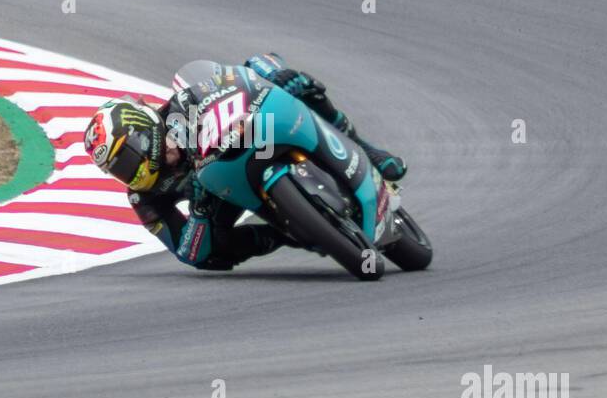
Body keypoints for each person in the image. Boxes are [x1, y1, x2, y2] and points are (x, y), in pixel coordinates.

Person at [83, 53, 406, 271]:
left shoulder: (180, 105)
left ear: (142, 131)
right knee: (210, 259)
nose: (129, 173)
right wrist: (200, 213)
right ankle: (286, 232)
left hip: (250, 135)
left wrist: (270, 77)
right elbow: (187, 252)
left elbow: (229, 79)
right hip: (218, 192)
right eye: (116, 170)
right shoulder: (144, 196)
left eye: (125, 159)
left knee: (274, 71)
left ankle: (365, 148)